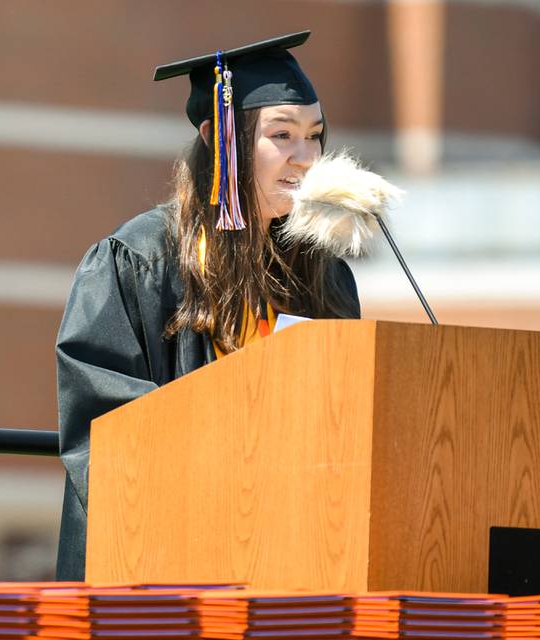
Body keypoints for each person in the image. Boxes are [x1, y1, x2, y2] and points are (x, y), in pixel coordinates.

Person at [55, 31, 361, 580]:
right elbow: (108, 427)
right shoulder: (138, 262)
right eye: (282, 134)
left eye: (315, 136)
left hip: (287, 554)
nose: (307, 157)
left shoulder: (323, 273)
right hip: (161, 562)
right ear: (220, 138)